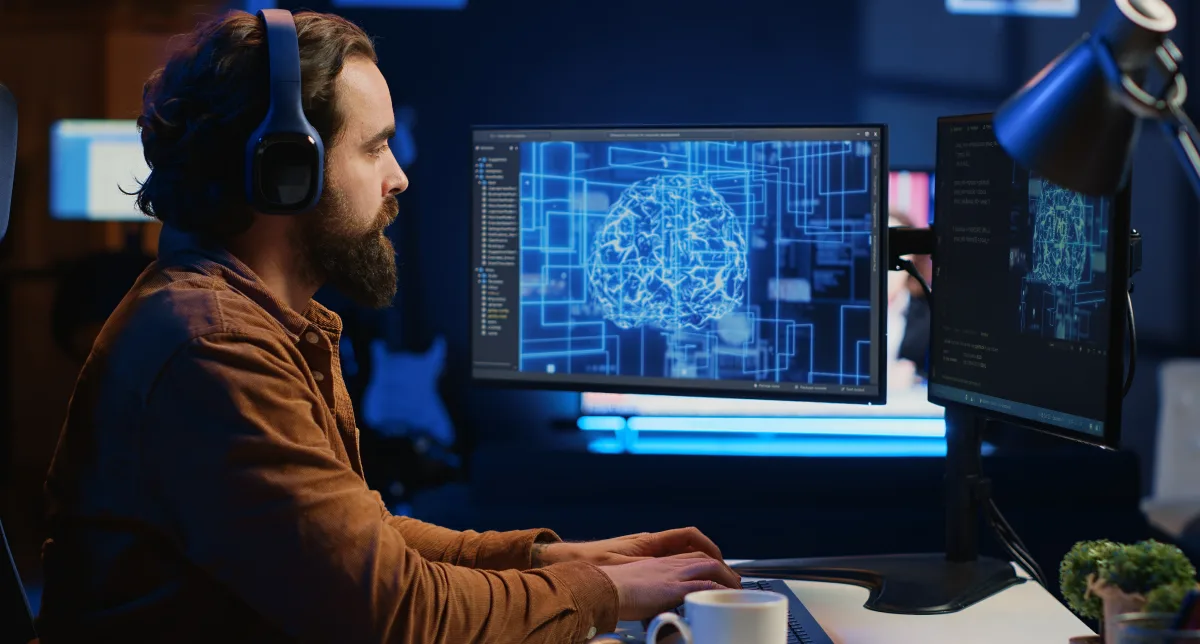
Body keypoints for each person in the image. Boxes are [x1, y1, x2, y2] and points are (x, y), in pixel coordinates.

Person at [36, 10, 739, 644]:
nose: (399, 177)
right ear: (288, 170)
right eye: (375, 148)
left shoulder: (256, 322)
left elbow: (356, 542)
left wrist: (555, 559)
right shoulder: (212, 347)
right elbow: (395, 613)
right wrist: (603, 596)